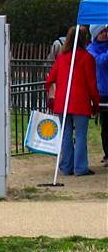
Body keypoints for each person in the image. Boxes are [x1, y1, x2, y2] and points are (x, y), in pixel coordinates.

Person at [45, 26, 100, 176]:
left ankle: (66, 166)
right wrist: (96, 102)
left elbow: (49, 80)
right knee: (81, 135)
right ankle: (80, 168)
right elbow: (91, 83)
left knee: (66, 135)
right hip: (80, 102)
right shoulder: (87, 58)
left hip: (62, 101)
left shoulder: (61, 58)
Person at [87, 24, 108, 167]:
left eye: (106, 31)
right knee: (106, 126)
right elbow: (100, 62)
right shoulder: (91, 49)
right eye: (102, 32)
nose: (105, 34)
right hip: (102, 92)